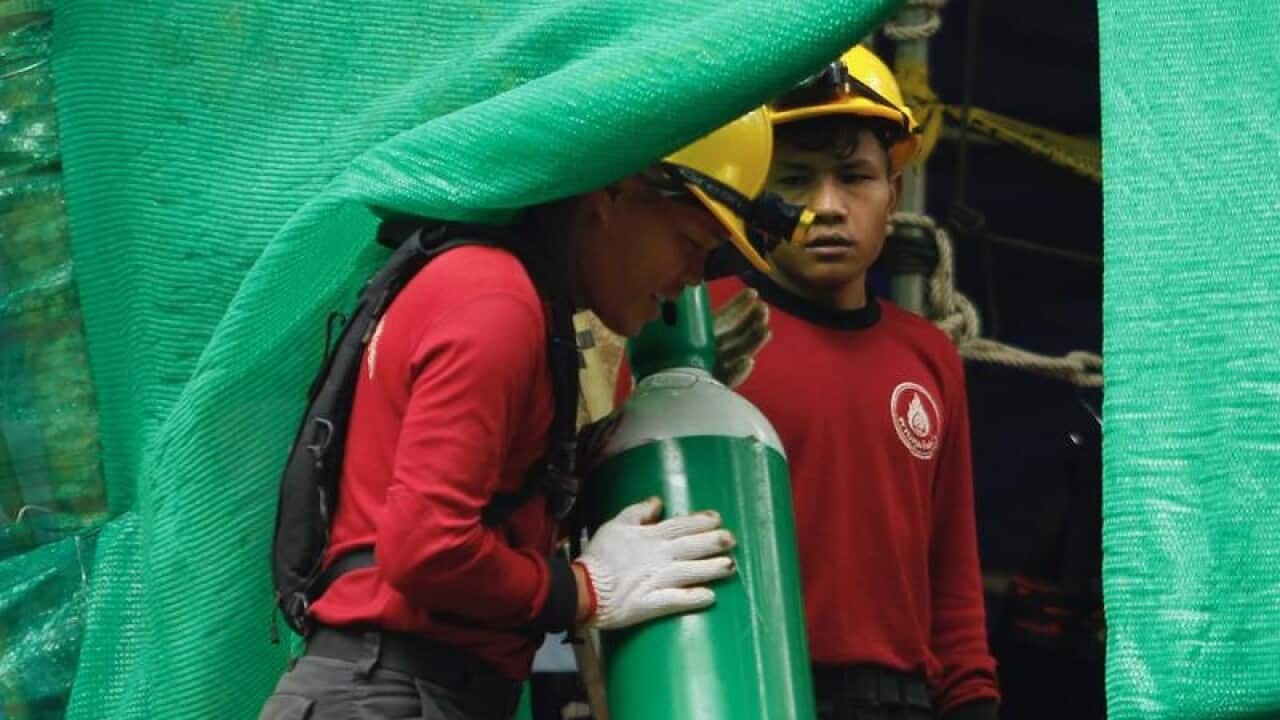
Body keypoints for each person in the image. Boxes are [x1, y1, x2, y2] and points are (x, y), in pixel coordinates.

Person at [260, 108, 808, 720]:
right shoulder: (496, 301)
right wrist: (584, 588)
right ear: (615, 190)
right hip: (388, 694)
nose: (689, 281)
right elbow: (425, 549)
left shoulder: (499, 294)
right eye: (690, 246)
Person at [618, 46, 1000, 720]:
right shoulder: (690, 331)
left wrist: (972, 700)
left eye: (855, 178)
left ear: (895, 192)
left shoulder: (927, 355)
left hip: (901, 702)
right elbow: (630, 550)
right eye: (795, 180)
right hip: (740, 690)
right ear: (754, 189)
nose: (828, 206)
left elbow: (951, 574)